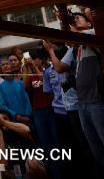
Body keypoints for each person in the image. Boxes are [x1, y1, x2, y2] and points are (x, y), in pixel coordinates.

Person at [44, 11, 104, 169]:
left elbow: (76, 35)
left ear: (90, 23)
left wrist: (66, 18)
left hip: (96, 100)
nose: (75, 19)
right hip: (82, 103)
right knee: (95, 150)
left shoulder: (93, 34)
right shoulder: (76, 47)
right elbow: (60, 67)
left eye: (79, 18)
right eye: (74, 18)